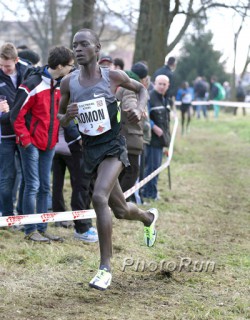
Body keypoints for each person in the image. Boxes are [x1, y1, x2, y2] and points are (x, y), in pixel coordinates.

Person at [58, 28, 159, 291]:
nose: (78, 49)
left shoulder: (112, 76)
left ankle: (105, 268)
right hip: (90, 149)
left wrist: (138, 108)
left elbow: (141, 90)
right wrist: (68, 116)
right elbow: (60, 118)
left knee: (99, 197)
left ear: (97, 48)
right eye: (74, 45)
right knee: (121, 210)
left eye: (84, 44)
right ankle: (148, 218)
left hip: (114, 145)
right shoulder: (68, 83)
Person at [11, 46, 75, 243]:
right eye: (70, 66)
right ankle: (30, 230)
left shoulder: (60, 85)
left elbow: (57, 116)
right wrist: (26, 141)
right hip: (30, 145)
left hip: (49, 145)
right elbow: (15, 116)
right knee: (33, 186)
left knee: (44, 187)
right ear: (60, 65)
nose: (72, 69)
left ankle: (42, 228)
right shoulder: (32, 84)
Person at [0, 42, 29, 218]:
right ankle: (7, 213)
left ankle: (23, 213)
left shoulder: (28, 71)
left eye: (8, 66)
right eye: (1, 65)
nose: (4, 69)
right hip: (5, 134)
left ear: (16, 60)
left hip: (25, 131)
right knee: (7, 176)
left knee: (27, 175)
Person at [117, 62, 148, 194]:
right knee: (132, 171)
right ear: (143, 78)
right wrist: (138, 111)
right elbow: (130, 105)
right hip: (129, 137)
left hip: (124, 135)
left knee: (122, 171)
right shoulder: (131, 86)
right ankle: (120, 203)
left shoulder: (125, 82)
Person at [143, 75, 171, 201]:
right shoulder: (149, 97)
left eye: (164, 84)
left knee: (157, 167)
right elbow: (145, 116)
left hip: (162, 140)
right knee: (151, 167)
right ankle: (149, 193)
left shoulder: (165, 99)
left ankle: (152, 191)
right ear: (154, 84)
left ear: (168, 86)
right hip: (152, 139)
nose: (162, 86)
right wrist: (154, 127)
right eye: (160, 84)